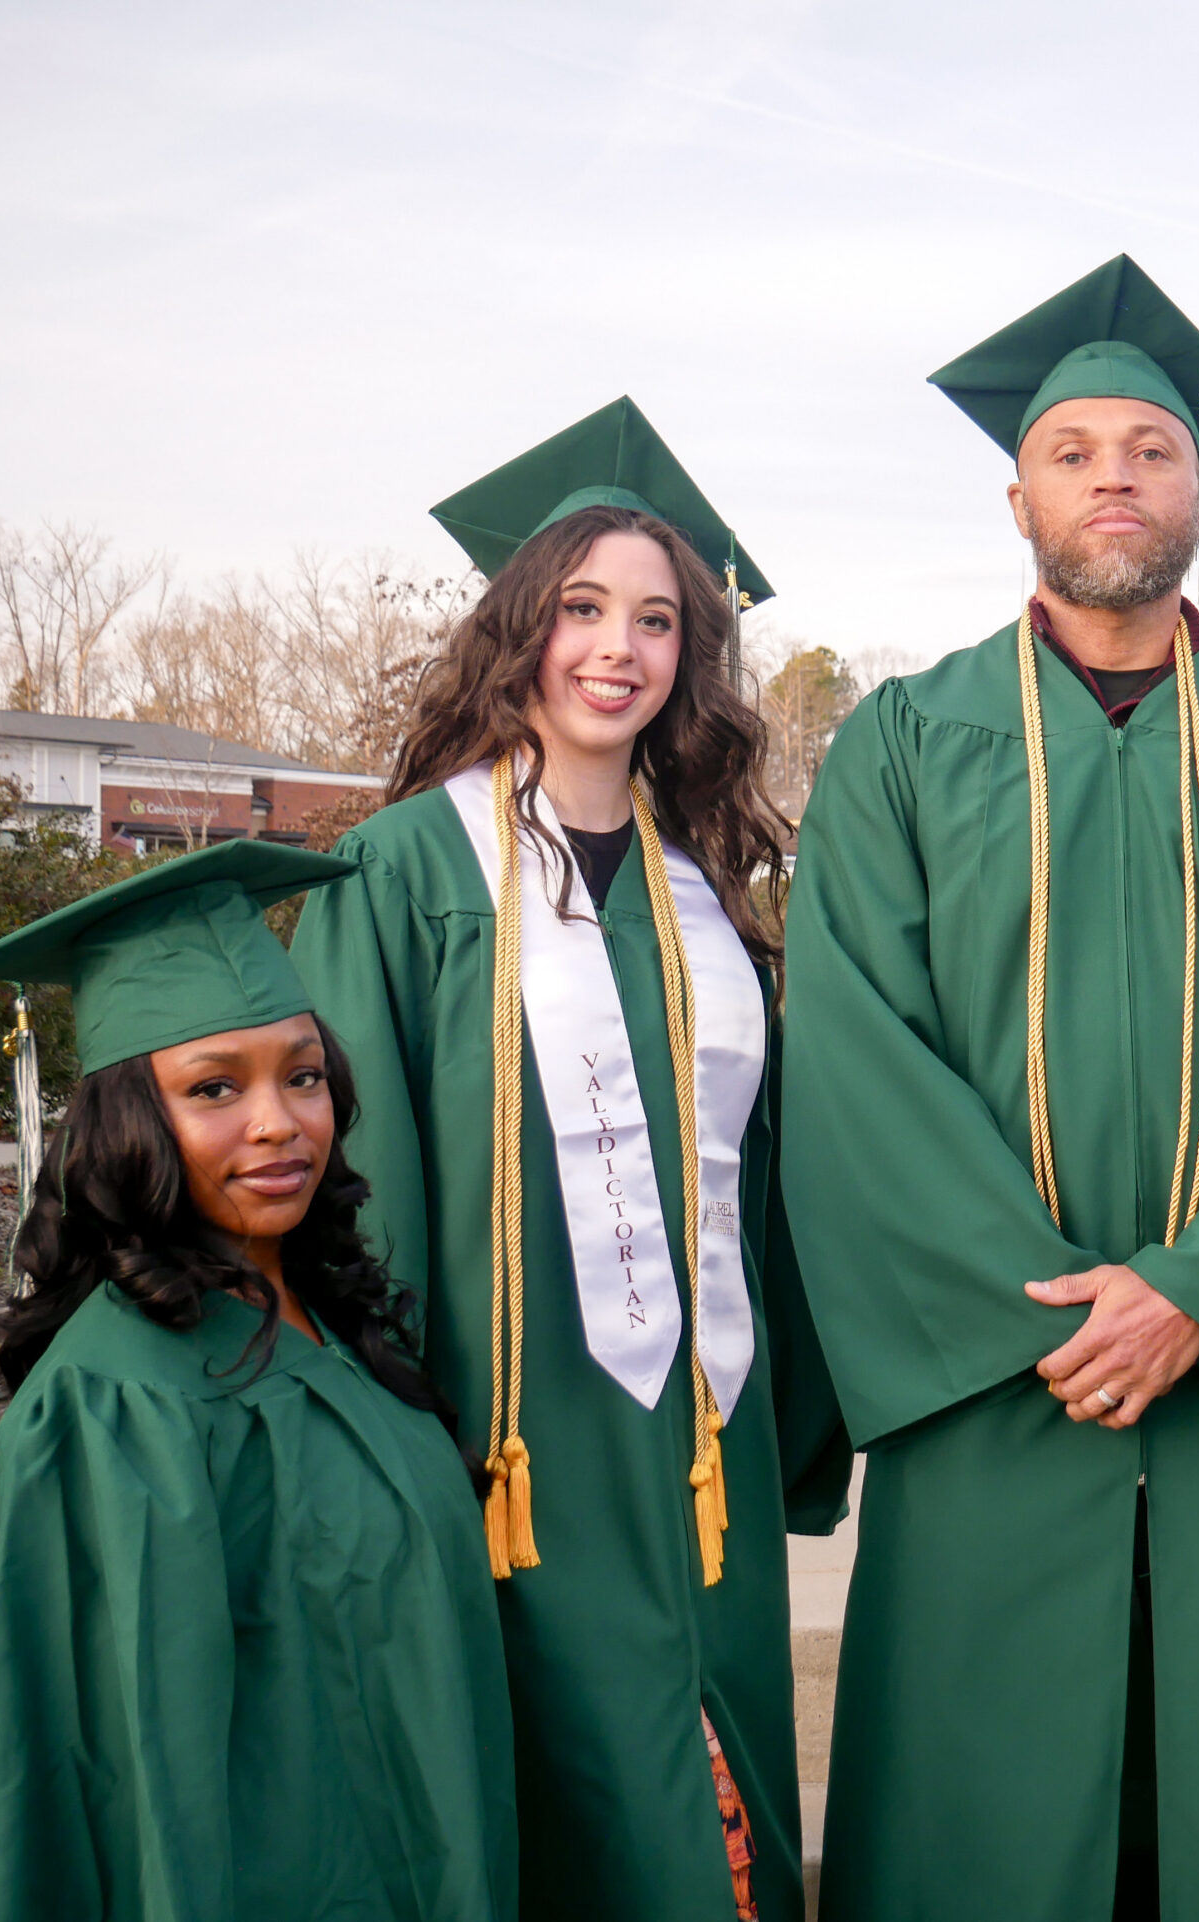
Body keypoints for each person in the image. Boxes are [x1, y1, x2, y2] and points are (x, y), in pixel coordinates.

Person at [782, 255, 1199, 1921]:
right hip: (999, 1377)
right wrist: (1064, 1316)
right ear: (1017, 496)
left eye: (1150, 446)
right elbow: (859, 1062)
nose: (1114, 477)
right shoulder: (905, 749)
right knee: (976, 1821)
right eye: (1076, 451)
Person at [291, 398, 849, 1922]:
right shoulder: (409, 870)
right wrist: (395, 1425)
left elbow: (759, 1171)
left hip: (700, 1445)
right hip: (506, 1445)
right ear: (520, 630)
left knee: (718, 1789)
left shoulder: (706, 893)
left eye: (658, 619)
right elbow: (355, 1178)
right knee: (564, 1801)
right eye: (584, 608)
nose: (620, 646)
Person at [0, 841, 516, 1922]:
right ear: (128, 1122)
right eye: (214, 1086)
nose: (277, 1121)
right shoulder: (113, 1407)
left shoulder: (339, 1321)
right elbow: (107, 1784)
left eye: (302, 1074)